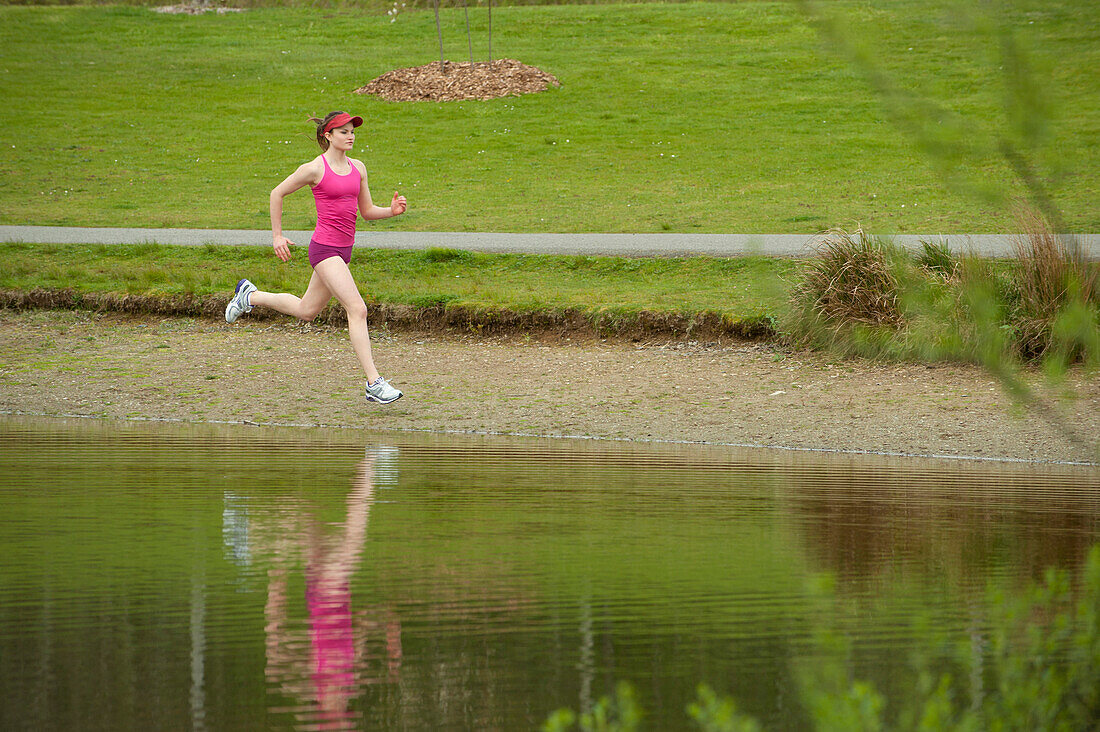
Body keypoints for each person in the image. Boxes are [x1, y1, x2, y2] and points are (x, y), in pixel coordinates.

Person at [224, 111, 407, 404]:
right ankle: (374, 383)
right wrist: (277, 236)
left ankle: (249, 296)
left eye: (352, 131)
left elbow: (367, 211)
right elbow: (277, 193)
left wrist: (391, 211)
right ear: (328, 136)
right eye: (344, 132)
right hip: (324, 250)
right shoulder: (313, 169)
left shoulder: (358, 168)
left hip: (344, 251)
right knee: (357, 309)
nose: (350, 136)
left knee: (306, 310)